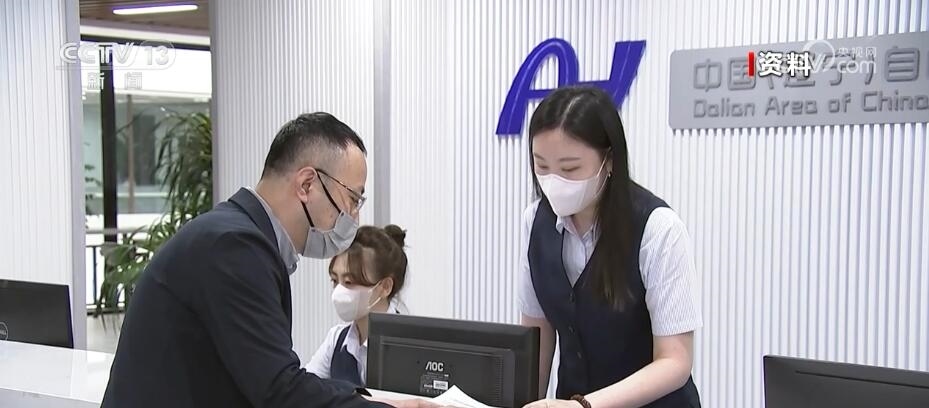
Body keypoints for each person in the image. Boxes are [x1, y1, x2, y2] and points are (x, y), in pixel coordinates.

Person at [102, 113, 432, 408]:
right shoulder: (234, 248)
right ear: (307, 185)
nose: (353, 216)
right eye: (353, 198)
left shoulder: (231, 235)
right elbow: (279, 390)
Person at [518, 87, 703, 408]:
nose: (554, 181)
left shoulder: (658, 228)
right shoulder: (535, 221)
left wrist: (584, 405)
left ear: (609, 160)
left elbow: (675, 361)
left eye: (570, 168)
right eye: (542, 167)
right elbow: (537, 336)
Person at [306, 224, 410, 387]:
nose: (339, 290)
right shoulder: (336, 339)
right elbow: (305, 389)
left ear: (385, 287)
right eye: (335, 280)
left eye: (349, 282)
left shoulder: (409, 346)